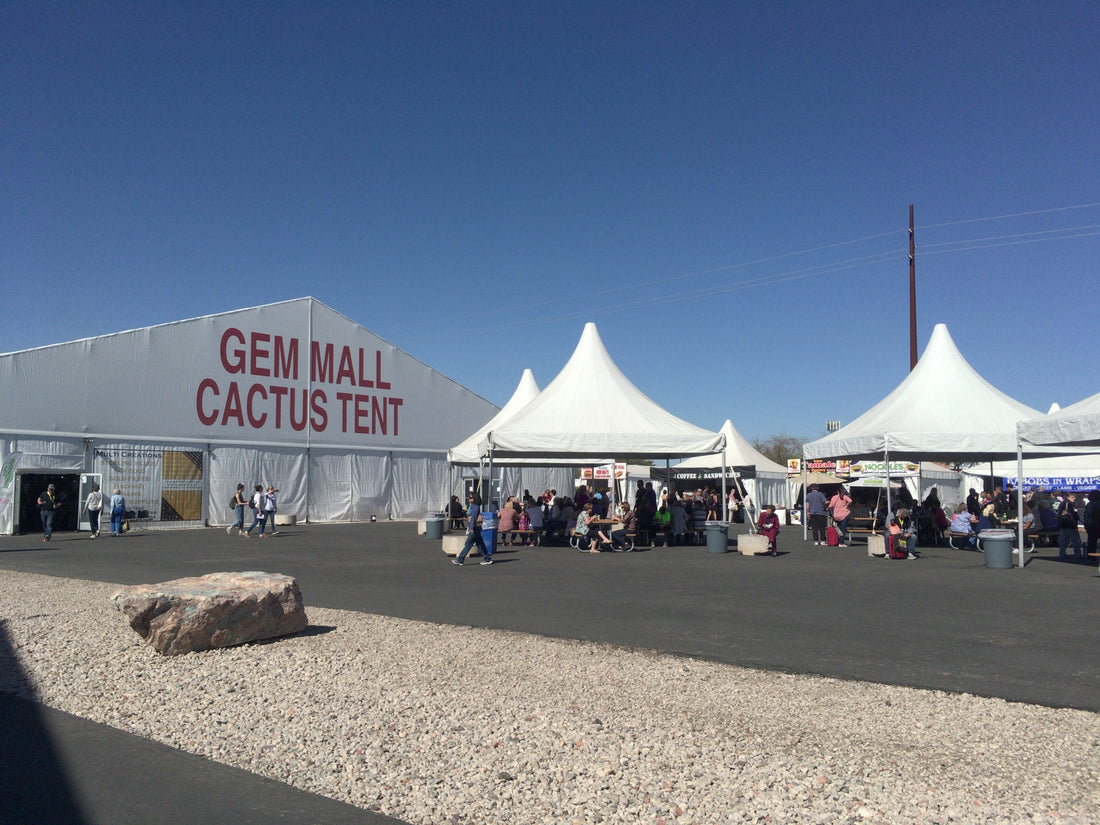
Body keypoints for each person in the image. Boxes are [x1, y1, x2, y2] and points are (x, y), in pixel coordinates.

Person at [454, 492, 492, 565]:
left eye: (471, 497)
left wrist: (471, 528)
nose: (469, 498)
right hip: (476, 528)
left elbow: (473, 518)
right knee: (479, 544)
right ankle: (487, 558)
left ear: (475, 498)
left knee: (468, 543)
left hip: (474, 527)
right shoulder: (473, 506)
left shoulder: (475, 507)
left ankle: (460, 559)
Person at [1057, 492, 1083, 561]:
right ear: (1068, 497)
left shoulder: (1062, 503)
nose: (1074, 498)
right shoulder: (1070, 504)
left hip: (1062, 524)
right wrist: (1077, 517)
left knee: (1063, 540)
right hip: (1070, 524)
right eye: (1072, 497)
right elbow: (1074, 514)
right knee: (1075, 540)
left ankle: (1062, 554)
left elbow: (1059, 513)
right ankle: (1078, 554)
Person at [1082, 491, 1100, 563]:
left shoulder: (1089, 504)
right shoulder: (1097, 504)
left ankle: (1091, 556)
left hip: (1088, 525)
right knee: (1093, 541)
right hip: (1096, 524)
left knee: (1091, 541)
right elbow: (1097, 515)